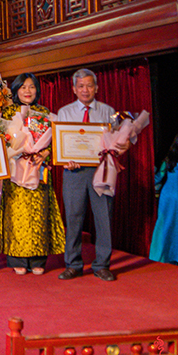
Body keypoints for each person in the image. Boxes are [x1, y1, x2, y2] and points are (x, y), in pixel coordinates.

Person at [0, 73, 65, 275]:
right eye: (23, 87)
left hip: (38, 169)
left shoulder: (45, 113)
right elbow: (0, 139)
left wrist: (45, 152)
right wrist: (15, 149)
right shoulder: (7, 113)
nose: (27, 91)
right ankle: (17, 258)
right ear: (16, 90)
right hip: (15, 170)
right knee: (16, 216)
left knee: (39, 214)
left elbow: (58, 141)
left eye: (32, 87)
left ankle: (38, 259)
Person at [57, 68, 119, 282]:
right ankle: (73, 264)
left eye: (89, 85)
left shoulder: (108, 112)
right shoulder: (64, 112)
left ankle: (102, 265)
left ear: (96, 88)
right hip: (74, 172)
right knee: (73, 218)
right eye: (81, 86)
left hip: (101, 171)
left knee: (104, 218)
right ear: (74, 89)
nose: (85, 90)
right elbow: (60, 144)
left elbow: (118, 142)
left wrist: (117, 148)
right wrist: (66, 159)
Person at [149, 133, 178, 266]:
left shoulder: (170, 158)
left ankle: (161, 255)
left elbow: (158, 178)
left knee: (165, 226)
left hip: (167, 196)